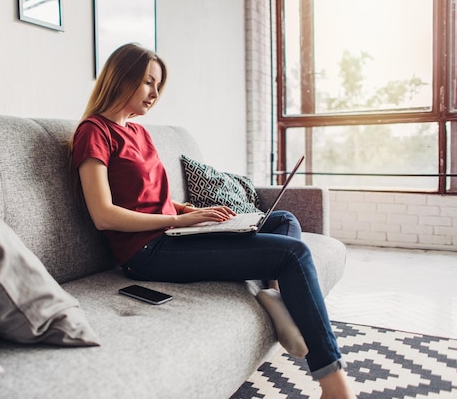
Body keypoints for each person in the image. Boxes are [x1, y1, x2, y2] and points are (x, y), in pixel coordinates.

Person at [68, 43, 356, 399]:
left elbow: (147, 197)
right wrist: (182, 221)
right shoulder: (94, 132)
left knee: (282, 220)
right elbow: (104, 214)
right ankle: (334, 385)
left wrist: (188, 211)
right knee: (293, 254)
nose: (155, 94)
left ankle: (275, 296)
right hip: (146, 253)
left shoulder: (140, 132)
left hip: (171, 234)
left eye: (158, 85)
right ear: (120, 78)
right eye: (147, 83)